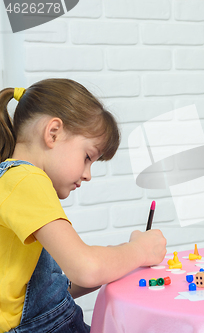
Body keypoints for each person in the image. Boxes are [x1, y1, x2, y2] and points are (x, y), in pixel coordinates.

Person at [0, 79, 167, 333]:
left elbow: (56, 291)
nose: (88, 174)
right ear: (53, 132)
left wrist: (120, 258)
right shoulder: (26, 179)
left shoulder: (15, 184)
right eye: (87, 157)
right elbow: (85, 269)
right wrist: (139, 250)